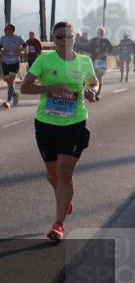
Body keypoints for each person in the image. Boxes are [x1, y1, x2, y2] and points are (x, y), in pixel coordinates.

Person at [19, 21, 97, 242]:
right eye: (59, 37)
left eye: (68, 36)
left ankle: (59, 224)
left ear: (75, 37)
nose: (64, 40)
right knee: (53, 174)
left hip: (75, 123)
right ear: (54, 39)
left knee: (65, 174)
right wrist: (48, 89)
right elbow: (24, 87)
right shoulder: (44, 60)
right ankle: (63, 198)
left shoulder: (84, 61)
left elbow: (93, 83)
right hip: (46, 124)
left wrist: (92, 91)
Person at [0, 23, 26, 109]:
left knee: (11, 81)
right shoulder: (3, 38)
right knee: (7, 80)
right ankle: (14, 94)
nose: (5, 31)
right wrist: (1, 51)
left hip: (15, 62)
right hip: (5, 62)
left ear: (12, 30)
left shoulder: (18, 38)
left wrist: (19, 51)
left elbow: (25, 45)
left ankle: (8, 101)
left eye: (6, 29)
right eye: (4, 29)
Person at [88, 27, 113, 100]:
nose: (101, 33)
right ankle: (91, 92)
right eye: (99, 32)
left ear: (104, 33)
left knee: (99, 76)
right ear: (97, 33)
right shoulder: (93, 40)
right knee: (92, 76)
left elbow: (111, 49)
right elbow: (87, 47)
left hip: (102, 61)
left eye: (102, 32)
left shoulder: (106, 40)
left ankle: (98, 93)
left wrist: (105, 54)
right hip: (93, 60)